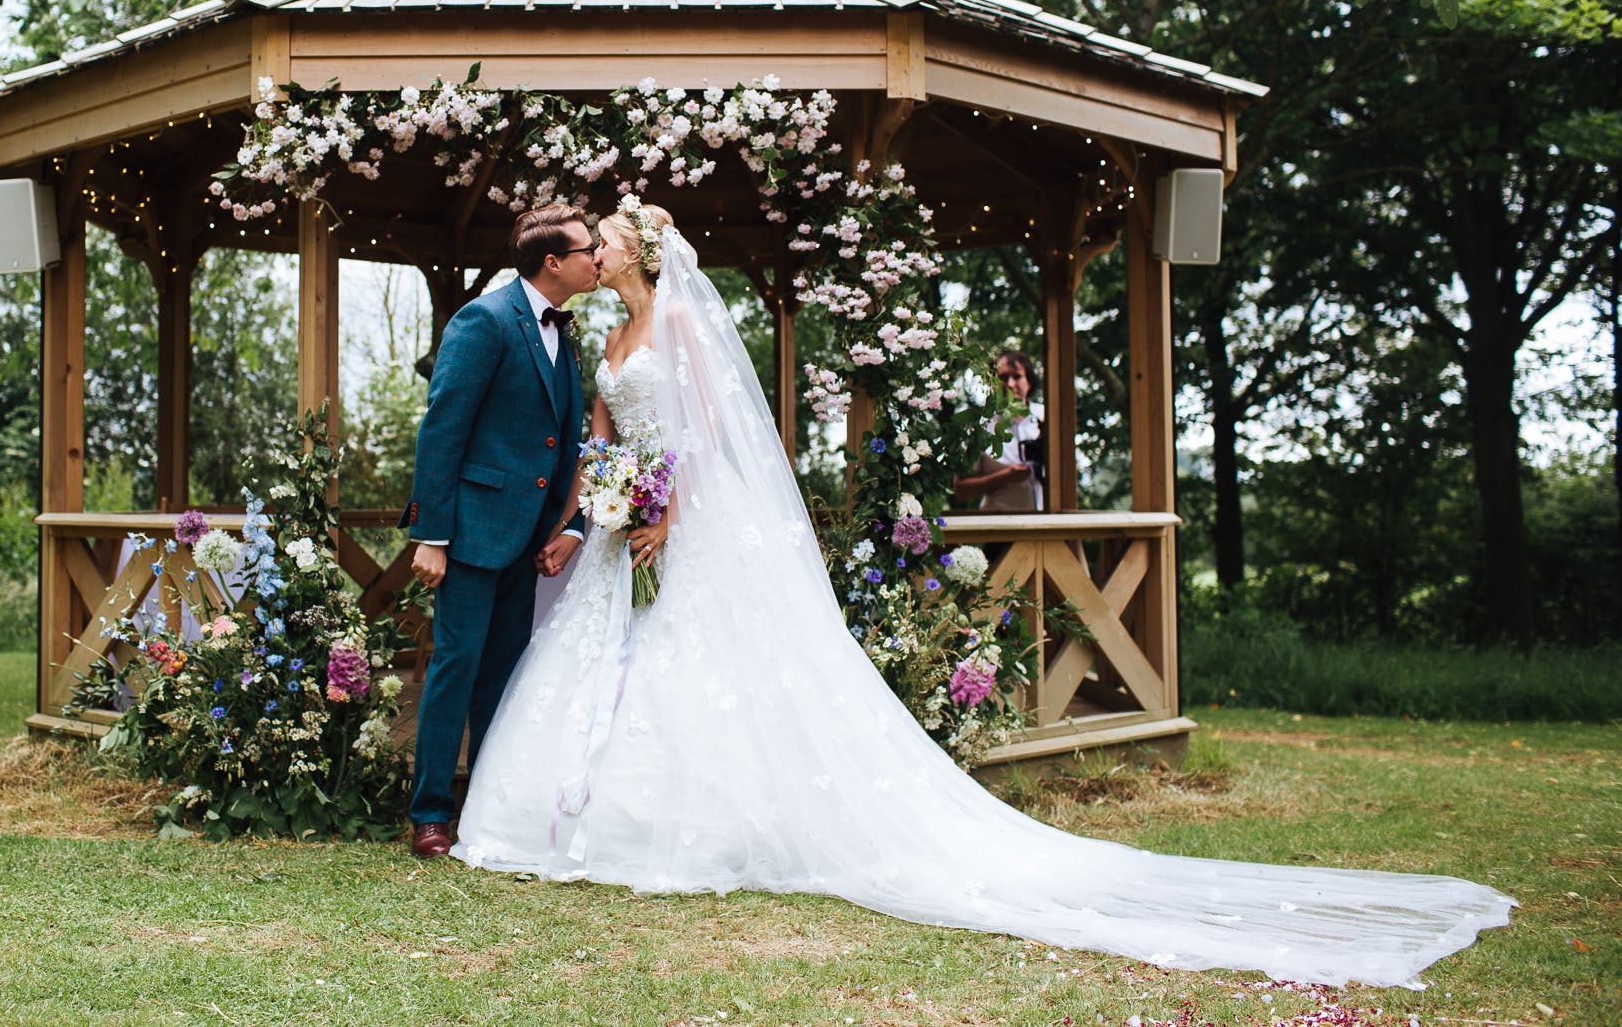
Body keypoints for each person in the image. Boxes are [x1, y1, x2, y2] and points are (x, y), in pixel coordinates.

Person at [449, 205, 1513, 988]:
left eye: (609, 241)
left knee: (693, 665)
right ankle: (569, 816)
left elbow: (707, 433)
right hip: (620, 529)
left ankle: (678, 819)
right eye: (591, 243)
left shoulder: (673, 323)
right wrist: (602, 502)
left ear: (635, 253)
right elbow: (606, 431)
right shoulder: (603, 336)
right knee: (604, 662)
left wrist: (667, 503)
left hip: (682, 522)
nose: (600, 251)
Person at [398, 204, 598, 859]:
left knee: (505, 676)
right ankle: (429, 813)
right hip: (472, 533)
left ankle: (483, 808)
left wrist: (571, 525)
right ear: (553, 262)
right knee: (456, 667)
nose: (596, 257)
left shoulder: (562, 337)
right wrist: (432, 534)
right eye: (586, 249)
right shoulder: (484, 320)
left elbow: (567, 442)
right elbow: (443, 427)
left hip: (529, 538)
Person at [951, 350, 1043, 511]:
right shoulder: (981, 426)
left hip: (1048, 524)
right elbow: (960, 490)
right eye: (1003, 377)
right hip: (999, 524)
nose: (1010, 384)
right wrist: (1005, 477)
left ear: (1029, 381)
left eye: (1017, 376)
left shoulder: (1047, 417)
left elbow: (1071, 470)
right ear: (993, 383)